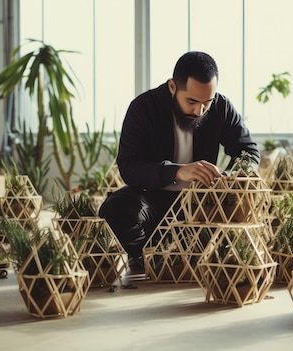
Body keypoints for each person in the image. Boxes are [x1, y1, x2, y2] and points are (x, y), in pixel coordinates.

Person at [98, 51, 260, 275]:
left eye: (207, 102)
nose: (199, 110)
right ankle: (147, 258)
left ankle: (193, 255)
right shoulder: (143, 108)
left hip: (204, 204)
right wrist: (177, 171)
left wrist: (229, 178)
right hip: (154, 201)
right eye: (192, 101)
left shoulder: (221, 107)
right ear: (172, 87)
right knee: (116, 210)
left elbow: (248, 152)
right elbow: (129, 166)